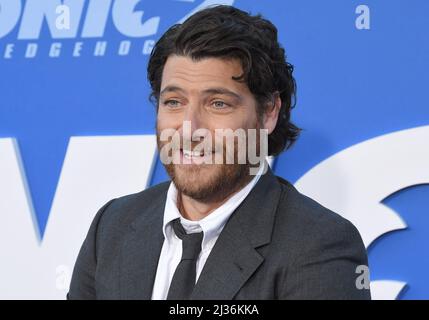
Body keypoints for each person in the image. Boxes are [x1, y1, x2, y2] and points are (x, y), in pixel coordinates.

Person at [68, 5, 371, 300]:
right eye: (174, 101)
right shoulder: (112, 225)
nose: (189, 129)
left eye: (218, 104)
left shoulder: (319, 244)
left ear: (268, 113)